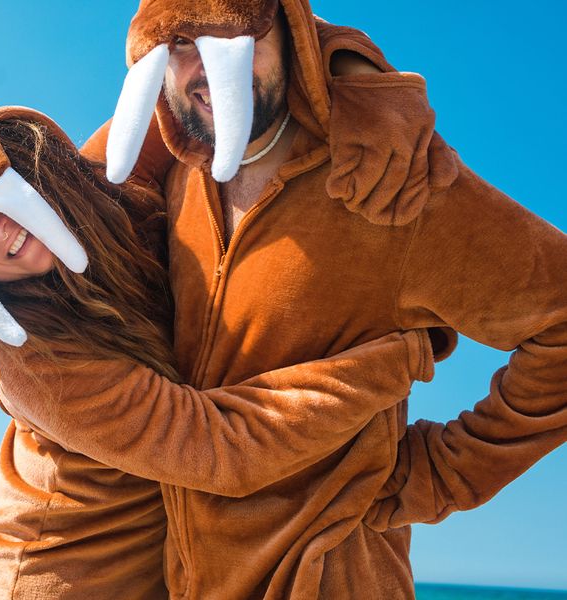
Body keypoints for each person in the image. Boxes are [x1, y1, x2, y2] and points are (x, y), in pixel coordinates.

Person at [79, 0, 567, 597]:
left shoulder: (391, 181)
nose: (208, 67)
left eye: (238, 39)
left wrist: (437, 474)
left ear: (291, 37)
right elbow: (51, 212)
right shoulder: (173, 172)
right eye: (182, 44)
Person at [0, 106, 435, 599]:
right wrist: (399, 358)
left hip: (164, 563)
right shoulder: (34, 361)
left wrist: (370, 84)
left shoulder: (112, 178)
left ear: (25, 165)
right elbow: (223, 451)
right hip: (65, 582)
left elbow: (207, 64)